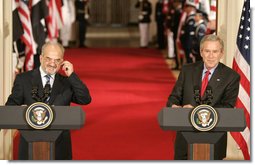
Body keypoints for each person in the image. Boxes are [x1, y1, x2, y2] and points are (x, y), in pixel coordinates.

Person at [5, 41, 92, 160]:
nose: (52, 63)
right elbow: (10, 106)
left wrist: (72, 75)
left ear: (62, 62)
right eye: (48, 59)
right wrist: (21, 111)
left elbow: (85, 99)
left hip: (60, 147)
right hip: (30, 146)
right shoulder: (23, 79)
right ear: (41, 58)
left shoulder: (66, 82)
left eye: (57, 60)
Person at [166, 34, 240, 160]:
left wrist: (196, 111)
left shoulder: (231, 76)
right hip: (185, 137)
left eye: (215, 51)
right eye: (207, 51)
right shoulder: (187, 70)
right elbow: (173, 98)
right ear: (201, 52)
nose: (211, 56)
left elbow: (227, 106)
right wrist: (174, 106)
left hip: (213, 139)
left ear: (221, 53)